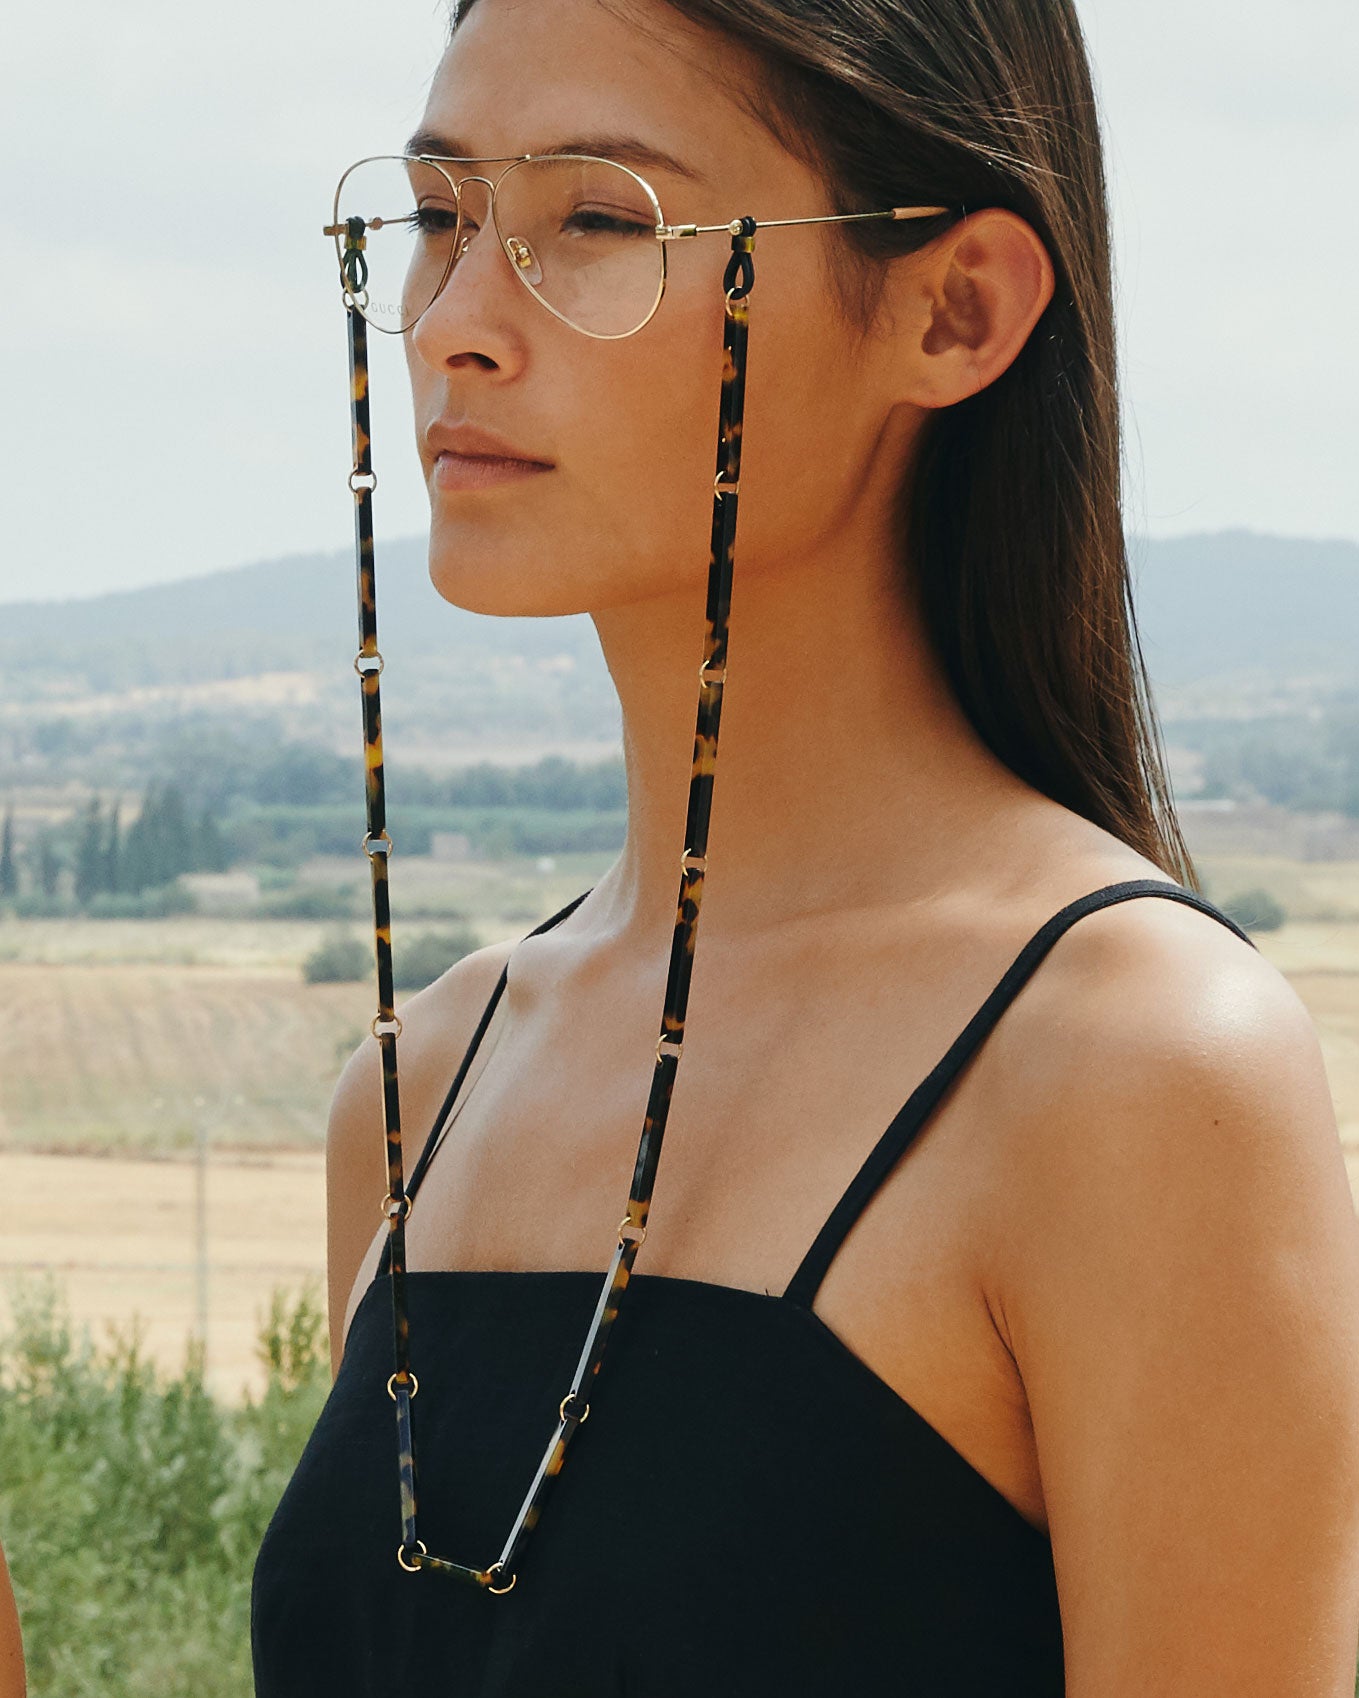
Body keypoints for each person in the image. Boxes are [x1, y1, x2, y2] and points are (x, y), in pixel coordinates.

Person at [252, 0, 1359, 1691]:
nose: (455, 323)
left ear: (956, 310)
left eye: (598, 219)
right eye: (435, 216)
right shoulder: (419, 1087)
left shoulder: (1130, 1069)